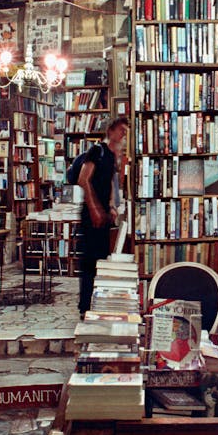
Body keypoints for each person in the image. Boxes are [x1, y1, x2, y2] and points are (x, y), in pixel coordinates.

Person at [76, 116, 129, 318]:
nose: (124, 135)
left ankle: (94, 304)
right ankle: (85, 307)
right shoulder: (97, 151)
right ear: (111, 131)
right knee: (90, 262)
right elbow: (84, 180)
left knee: (100, 260)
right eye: (121, 130)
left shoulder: (112, 156)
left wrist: (109, 207)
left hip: (102, 215)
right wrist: (95, 209)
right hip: (91, 215)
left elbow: (108, 186)